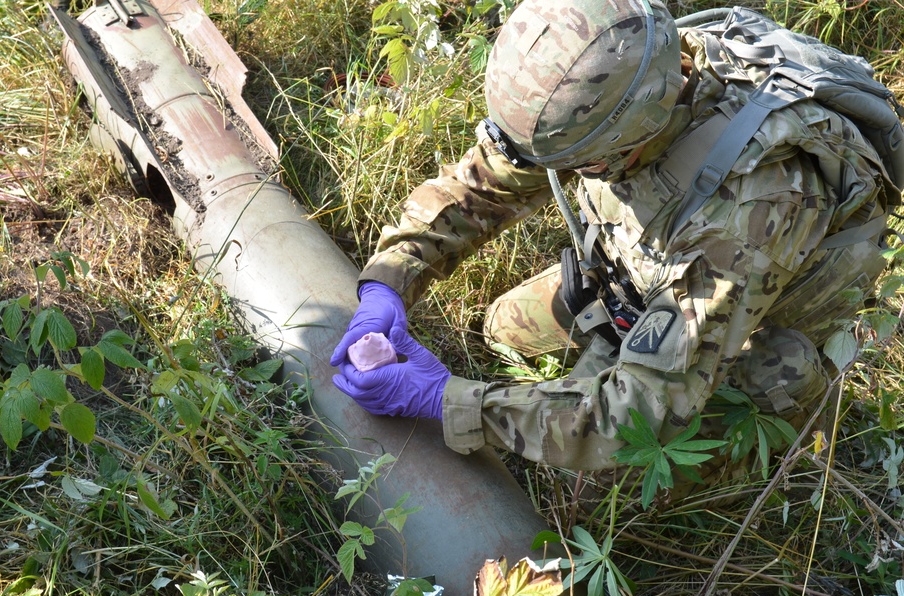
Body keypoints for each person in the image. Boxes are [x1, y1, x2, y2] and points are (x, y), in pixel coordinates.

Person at [330, 0, 898, 497]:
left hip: (744, 334)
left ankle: (783, 420)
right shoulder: (625, 74)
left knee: (591, 479)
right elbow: (487, 183)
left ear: (621, 149)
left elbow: (637, 415)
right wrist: (389, 280)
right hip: (639, 279)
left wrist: (451, 402)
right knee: (499, 328)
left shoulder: (750, 209)